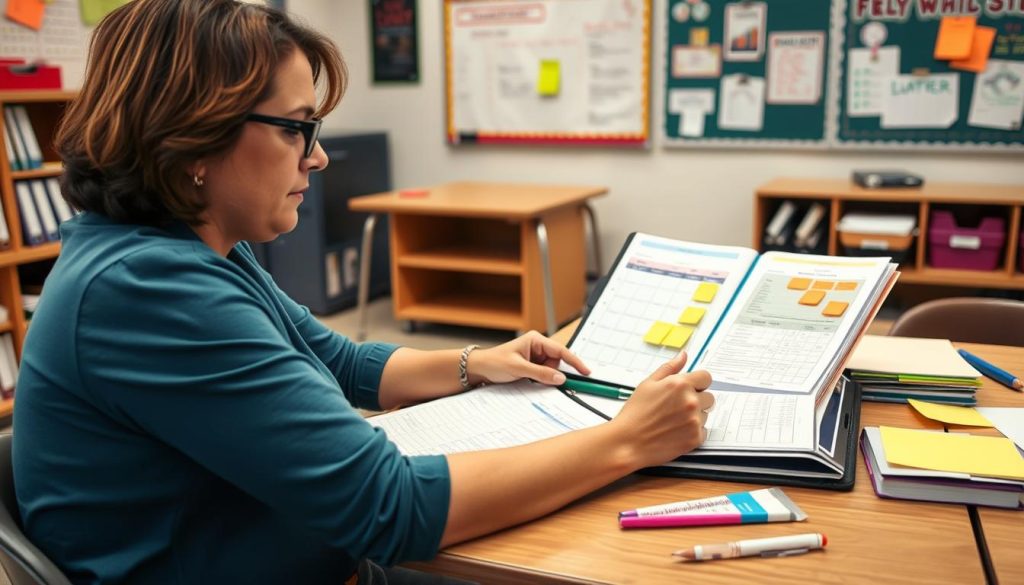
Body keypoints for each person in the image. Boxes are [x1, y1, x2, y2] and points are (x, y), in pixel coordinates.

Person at [12, 1, 715, 583]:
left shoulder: (189, 248)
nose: (317, 155)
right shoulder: (146, 291)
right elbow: (389, 506)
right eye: (297, 129)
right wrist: (627, 441)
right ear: (195, 140)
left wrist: (476, 362)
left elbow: (339, 359)